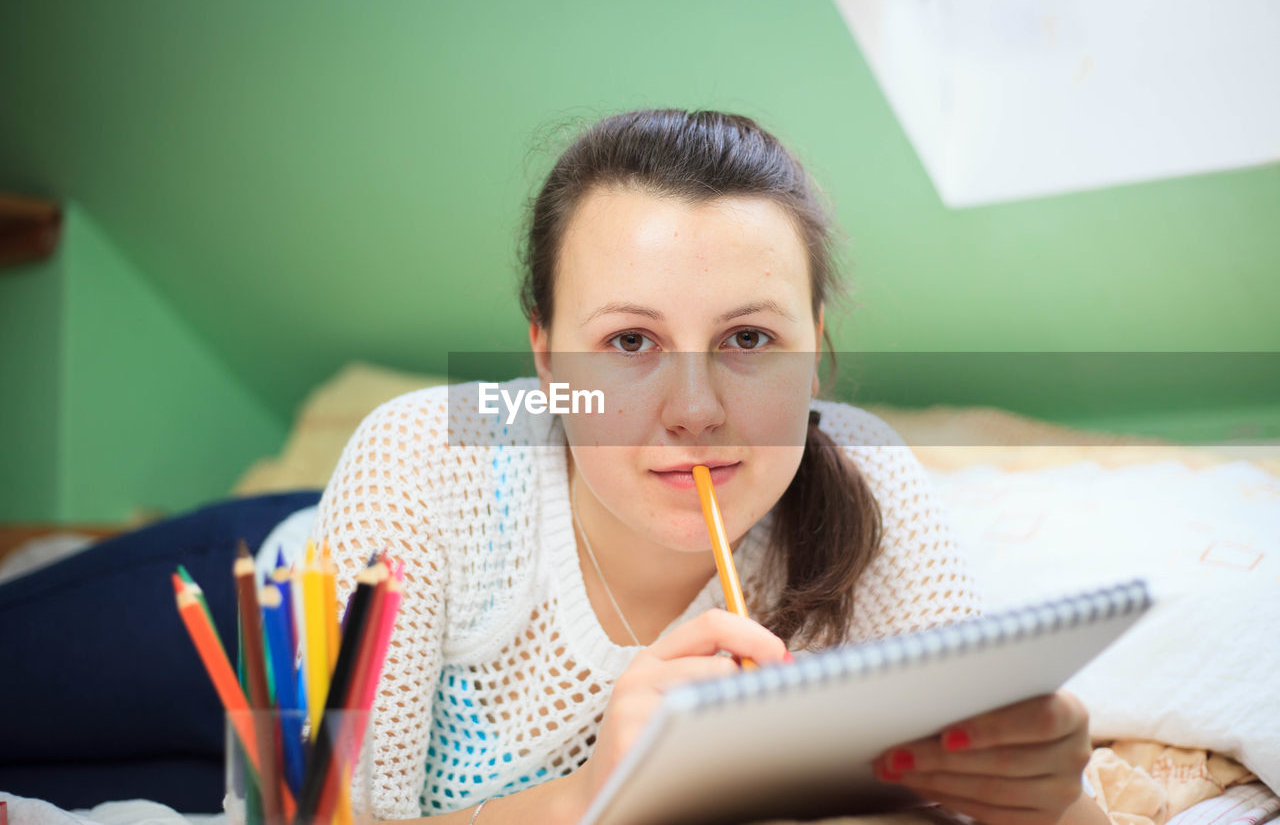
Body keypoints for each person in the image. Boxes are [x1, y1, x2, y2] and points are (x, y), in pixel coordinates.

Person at [315, 109, 1106, 825]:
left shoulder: (869, 478)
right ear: (547, 360)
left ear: (815, 351)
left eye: (749, 339)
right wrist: (590, 797)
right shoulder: (418, 457)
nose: (695, 409)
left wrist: (1053, 801)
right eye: (630, 341)